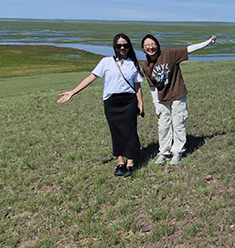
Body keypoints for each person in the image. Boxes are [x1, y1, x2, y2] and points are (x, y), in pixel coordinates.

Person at [58, 34, 145, 177]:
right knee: (116, 132)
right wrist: (73, 92)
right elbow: (91, 78)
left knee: (130, 132)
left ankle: (130, 163)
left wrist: (140, 103)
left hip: (129, 102)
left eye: (125, 45)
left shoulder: (133, 63)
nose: (122, 48)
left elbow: (137, 86)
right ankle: (120, 162)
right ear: (114, 47)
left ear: (129, 47)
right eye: (119, 46)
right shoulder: (106, 62)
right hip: (111, 103)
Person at [141, 33, 217, 165]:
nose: (150, 47)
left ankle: (177, 152)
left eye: (153, 44)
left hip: (177, 94)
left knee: (178, 123)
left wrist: (207, 43)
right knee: (163, 126)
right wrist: (156, 106)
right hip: (163, 98)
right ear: (143, 49)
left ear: (157, 45)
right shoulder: (146, 66)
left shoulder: (169, 54)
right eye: (147, 45)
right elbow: (152, 87)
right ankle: (164, 152)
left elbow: (189, 49)